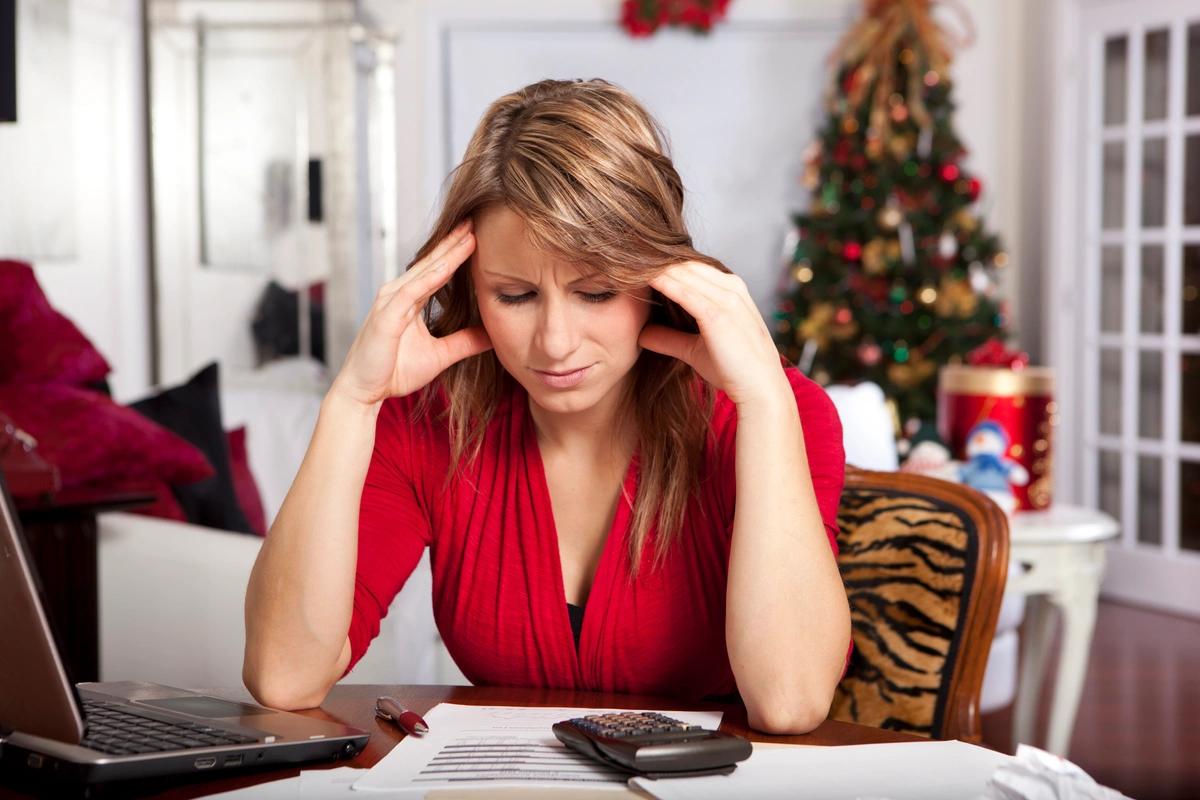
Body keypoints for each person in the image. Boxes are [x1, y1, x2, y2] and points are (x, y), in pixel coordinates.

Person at [243, 78, 851, 734]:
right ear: (469, 287)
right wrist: (352, 401)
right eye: (515, 295)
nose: (556, 344)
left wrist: (763, 399)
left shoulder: (769, 414)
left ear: (657, 277)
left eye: (595, 292)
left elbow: (789, 702)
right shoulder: (429, 421)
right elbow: (285, 675)